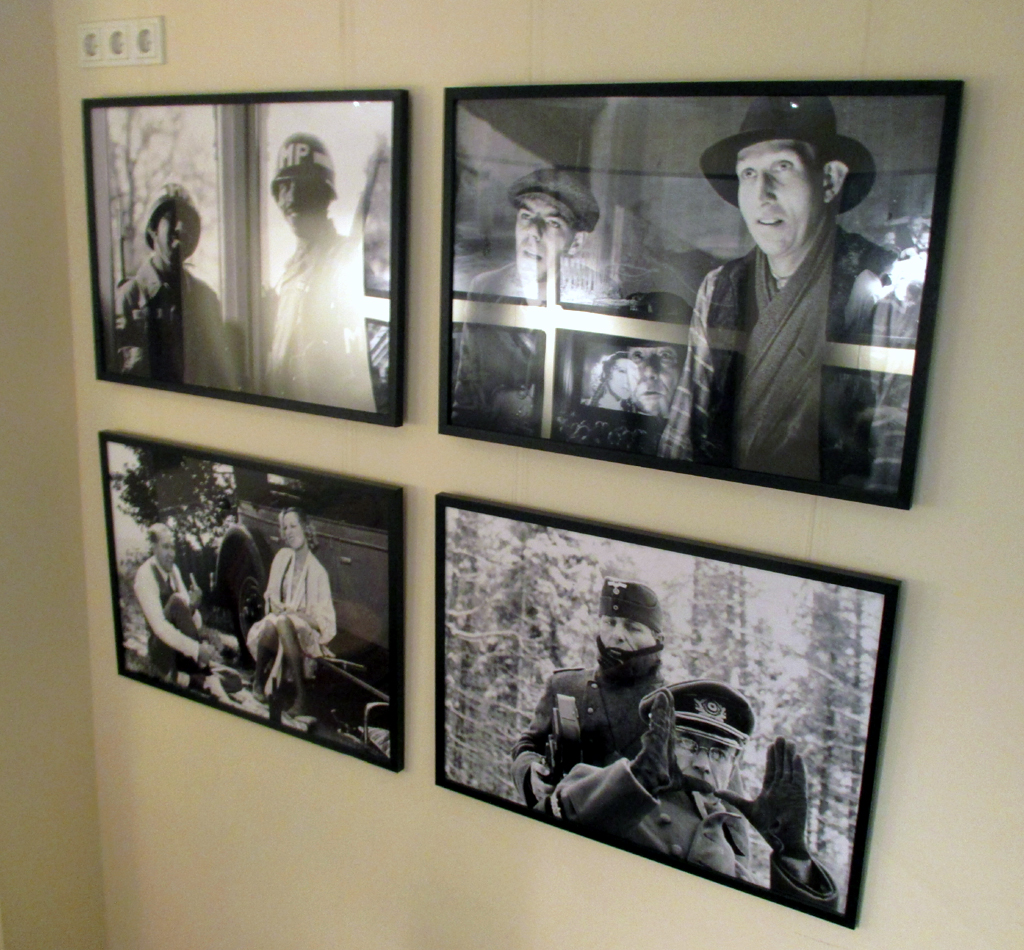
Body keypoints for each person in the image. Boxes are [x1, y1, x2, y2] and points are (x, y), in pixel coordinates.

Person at [658, 97, 909, 492]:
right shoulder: (720, 285)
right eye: (748, 173)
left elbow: (894, 454)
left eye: (782, 167)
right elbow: (684, 425)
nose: (762, 194)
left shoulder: (887, 291)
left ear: (830, 180)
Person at [550, 680, 839, 911]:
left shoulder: (729, 852)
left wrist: (792, 855)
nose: (703, 764)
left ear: (733, 766)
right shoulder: (605, 789)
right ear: (658, 739)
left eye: (719, 753)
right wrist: (640, 779)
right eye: (688, 743)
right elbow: (556, 827)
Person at [451, 168, 615, 436]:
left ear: (575, 243)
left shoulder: (598, 295)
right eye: (526, 217)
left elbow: (603, 396)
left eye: (552, 223)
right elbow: (465, 397)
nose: (533, 233)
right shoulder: (485, 288)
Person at [510, 578, 667, 809]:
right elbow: (527, 745)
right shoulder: (564, 686)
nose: (617, 634)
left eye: (632, 627)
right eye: (610, 622)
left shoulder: (672, 704)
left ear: (657, 639)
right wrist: (530, 772)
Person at [265, 133, 377, 412]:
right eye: (285, 187)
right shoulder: (287, 274)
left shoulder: (344, 258)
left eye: (302, 187)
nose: (291, 198)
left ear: (324, 196)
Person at [115, 183, 240, 390]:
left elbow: (220, 377)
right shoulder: (130, 297)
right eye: (172, 219)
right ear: (153, 230)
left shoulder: (206, 299)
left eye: (188, 222)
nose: (181, 228)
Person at [246, 507, 335, 718]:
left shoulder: (318, 573)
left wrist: (294, 615)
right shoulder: (282, 558)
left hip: (305, 634)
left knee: (284, 622)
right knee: (272, 624)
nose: (289, 532)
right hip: (281, 623)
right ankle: (258, 682)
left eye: (293, 526)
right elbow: (271, 595)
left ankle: (301, 696)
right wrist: (277, 607)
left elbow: (325, 624)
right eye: (285, 528)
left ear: (305, 529)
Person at [133, 523, 216, 688]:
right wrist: (197, 650)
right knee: (176, 602)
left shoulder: (173, 570)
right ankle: (193, 673)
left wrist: (193, 606)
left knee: (233, 681)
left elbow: (194, 623)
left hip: (179, 646)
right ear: (153, 547)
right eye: (165, 547)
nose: (171, 554)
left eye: (173, 548)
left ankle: (188, 678)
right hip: (161, 650)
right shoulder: (145, 576)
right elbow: (160, 628)